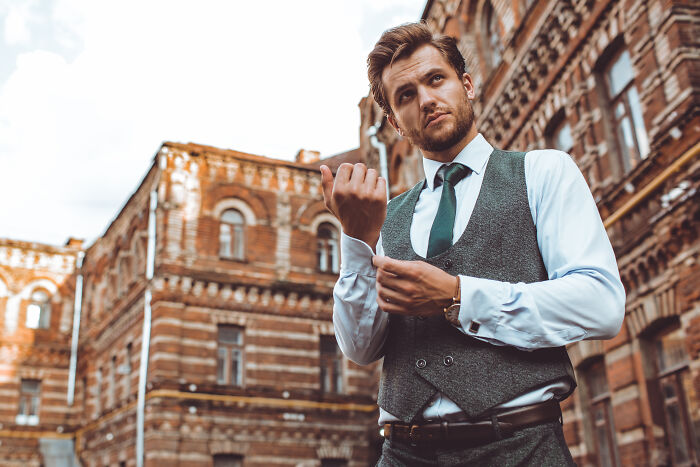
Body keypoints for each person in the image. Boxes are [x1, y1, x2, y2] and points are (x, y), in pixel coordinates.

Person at [319, 22, 625, 466]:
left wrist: (459, 296)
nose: (425, 100)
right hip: (404, 452)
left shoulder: (543, 172)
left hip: (521, 446)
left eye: (435, 79)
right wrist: (356, 239)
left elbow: (601, 304)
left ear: (466, 85)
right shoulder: (386, 217)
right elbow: (360, 347)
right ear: (394, 124)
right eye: (405, 95)